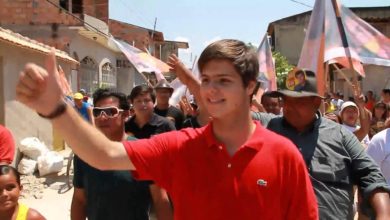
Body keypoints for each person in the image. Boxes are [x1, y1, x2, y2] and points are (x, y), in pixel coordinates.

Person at [16, 41, 318, 219]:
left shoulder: (283, 156)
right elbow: (104, 154)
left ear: (250, 86)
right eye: (206, 79)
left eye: (223, 80)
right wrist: (57, 109)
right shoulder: (180, 146)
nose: (210, 90)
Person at [253, 69, 390, 219]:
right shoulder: (266, 125)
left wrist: (383, 215)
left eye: (298, 101)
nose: (289, 107)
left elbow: (371, 176)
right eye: (285, 100)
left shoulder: (340, 135)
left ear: (316, 102)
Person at [71, 88, 173, 220]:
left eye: (110, 112)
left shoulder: (144, 152)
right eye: (97, 112)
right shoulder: (84, 154)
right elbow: (79, 200)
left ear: (125, 115)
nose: (102, 117)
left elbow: (160, 200)